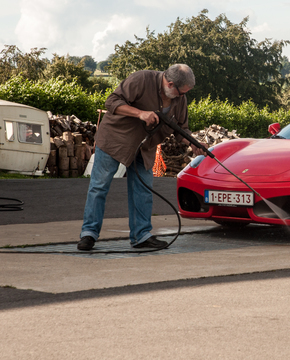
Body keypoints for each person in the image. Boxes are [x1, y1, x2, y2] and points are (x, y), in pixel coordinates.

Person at [77, 64, 204, 251]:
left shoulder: (179, 99)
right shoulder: (141, 80)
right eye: (180, 92)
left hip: (145, 147)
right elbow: (111, 102)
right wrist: (140, 113)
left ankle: (141, 236)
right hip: (115, 140)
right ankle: (88, 234)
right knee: (99, 187)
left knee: (143, 190)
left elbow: (181, 128)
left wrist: (193, 143)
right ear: (170, 84)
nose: (182, 96)